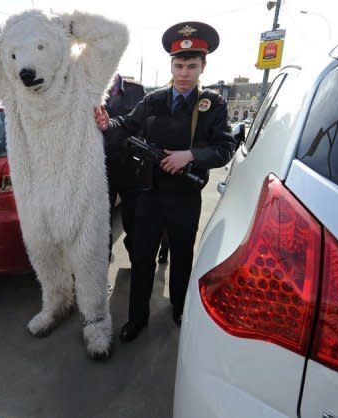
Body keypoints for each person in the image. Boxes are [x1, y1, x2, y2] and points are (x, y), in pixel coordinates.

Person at [94, 21, 235, 343]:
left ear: (203, 67)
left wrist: (190, 155)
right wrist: (107, 123)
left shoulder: (212, 104)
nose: (184, 72)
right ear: (171, 65)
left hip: (184, 195)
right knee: (141, 256)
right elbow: (127, 125)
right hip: (149, 193)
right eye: (179, 65)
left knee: (182, 254)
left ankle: (179, 308)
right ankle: (136, 318)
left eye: (192, 66)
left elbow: (225, 148)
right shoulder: (154, 100)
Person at [104, 74, 145, 258]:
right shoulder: (90, 88)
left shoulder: (135, 90)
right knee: (102, 224)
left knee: (134, 220)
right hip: (102, 168)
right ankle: (101, 270)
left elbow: (144, 123)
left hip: (132, 166)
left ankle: (137, 263)